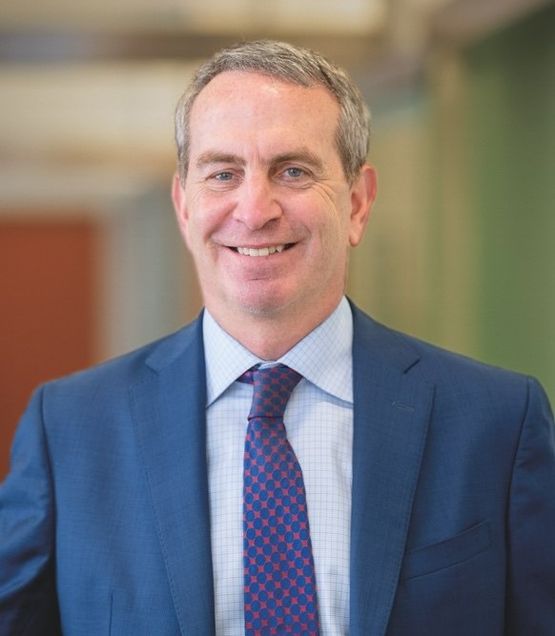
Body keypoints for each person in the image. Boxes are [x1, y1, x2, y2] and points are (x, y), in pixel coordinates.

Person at [1, 40, 554, 636]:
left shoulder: (497, 424)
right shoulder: (71, 431)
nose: (255, 208)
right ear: (184, 206)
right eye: (223, 173)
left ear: (359, 203)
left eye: (293, 170)